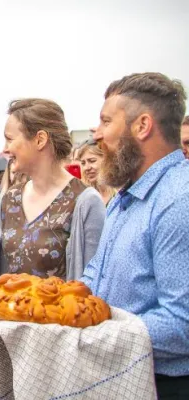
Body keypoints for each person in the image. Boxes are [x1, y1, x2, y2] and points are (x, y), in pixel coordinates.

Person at [80, 72, 189, 399]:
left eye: (105, 121)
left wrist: (93, 330)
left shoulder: (178, 201)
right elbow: (97, 273)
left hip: (164, 386)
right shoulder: (124, 197)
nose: (96, 134)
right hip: (123, 376)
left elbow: (181, 324)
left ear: (142, 126)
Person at [0, 98, 106, 309]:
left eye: (9, 139)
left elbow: (93, 283)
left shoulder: (86, 203)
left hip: (56, 336)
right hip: (7, 333)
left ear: (40, 140)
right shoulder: (9, 199)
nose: (5, 149)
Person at [77, 140, 117, 205]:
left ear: (107, 160)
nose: (87, 168)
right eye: (83, 163)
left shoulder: (122, 194)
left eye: (92, 161)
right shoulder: (84, 197)